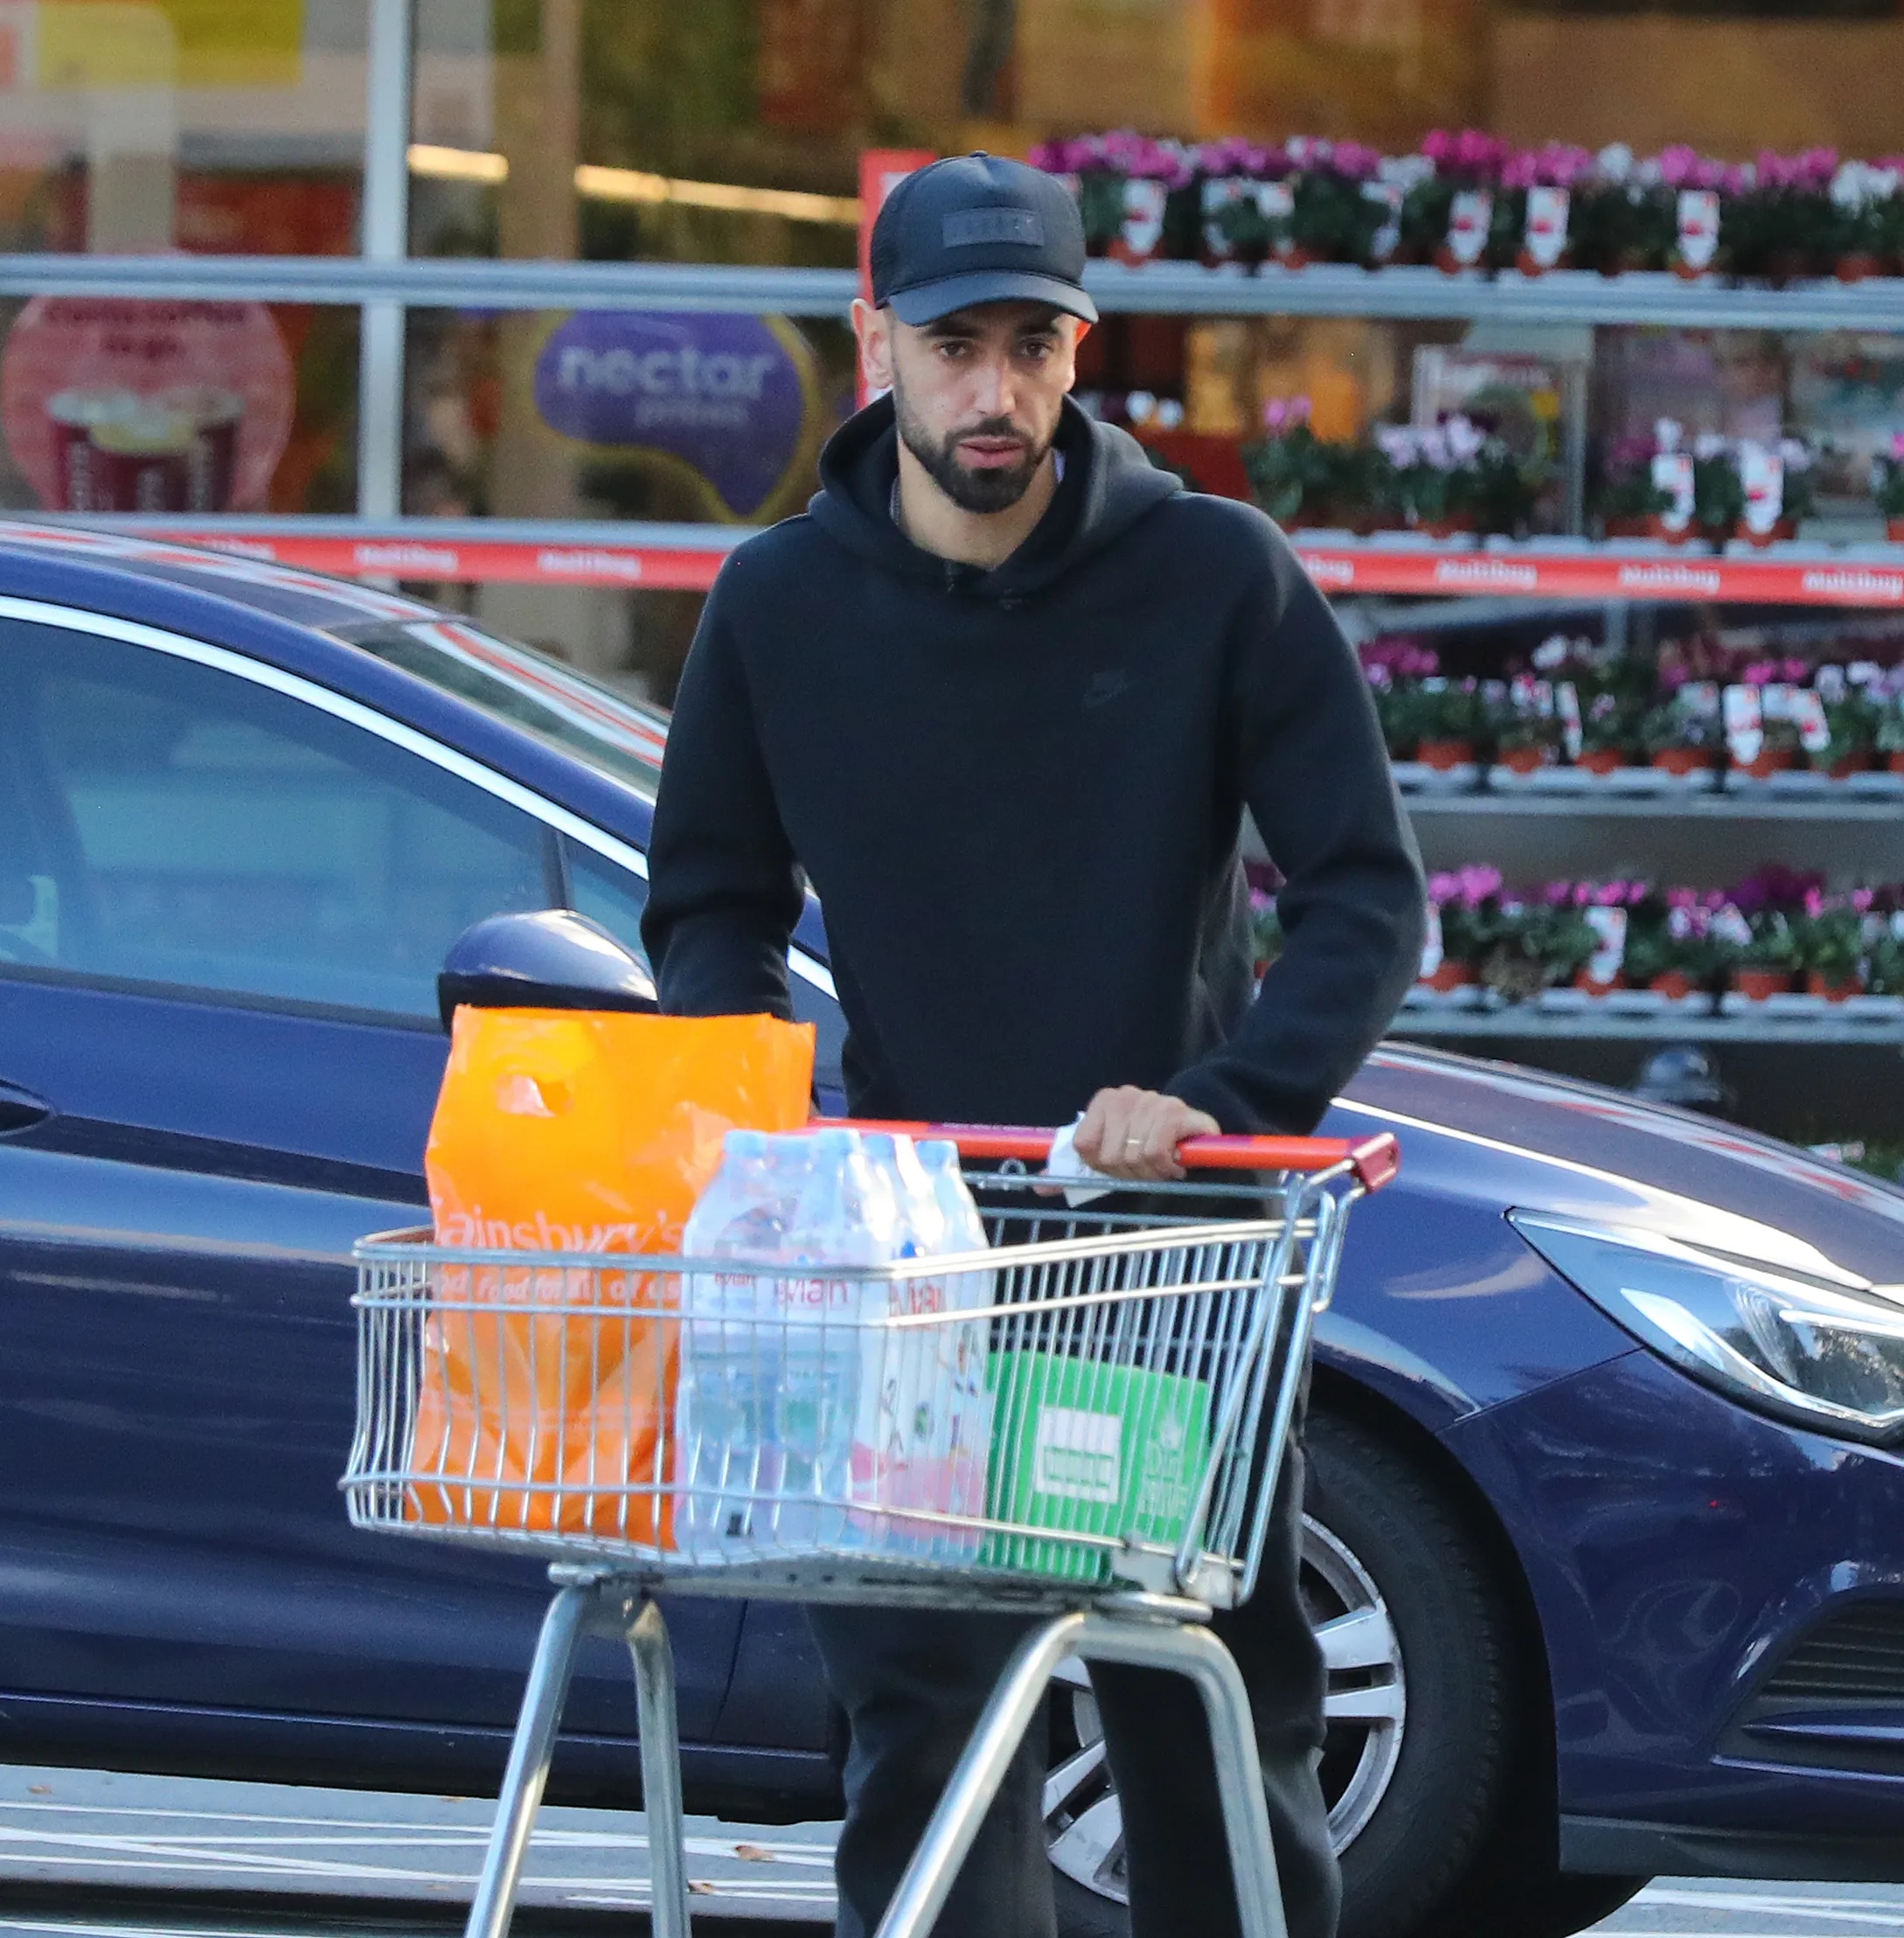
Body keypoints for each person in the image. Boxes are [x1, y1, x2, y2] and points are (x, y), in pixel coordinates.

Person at [643, 151, 1426, 1938]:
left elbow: (1366, 899)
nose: (994, 392)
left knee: (1198, 1696)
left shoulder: (1218, 576)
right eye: (952, 347)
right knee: (923, 1728)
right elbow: (709, 902)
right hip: (904, 1252)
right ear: (875, 343)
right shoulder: (778, 604)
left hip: (1158, 1258)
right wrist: (768, 1105)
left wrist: (1219, 1108)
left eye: (1034, 345)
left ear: (1080, 350)